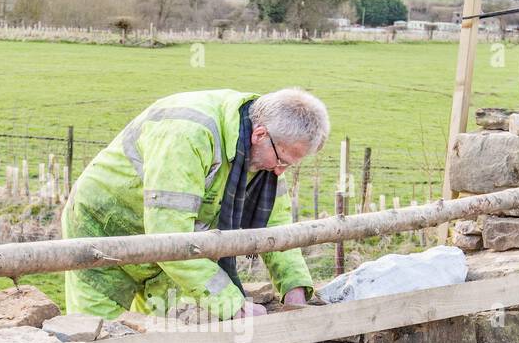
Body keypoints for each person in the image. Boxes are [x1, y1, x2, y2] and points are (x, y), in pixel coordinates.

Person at [60, 87, 329, 321]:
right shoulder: (188, 135)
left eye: (289, 166)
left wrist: (295, 290)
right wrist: (232, 304)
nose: (280, 171)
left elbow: (276, 230)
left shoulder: (262, 156)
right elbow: (168, 238)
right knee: (99, 337)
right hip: (105, 231)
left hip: (173, 249)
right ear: (259, 135)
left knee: (159, 339)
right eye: (282, 161)